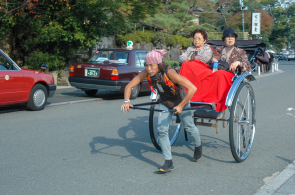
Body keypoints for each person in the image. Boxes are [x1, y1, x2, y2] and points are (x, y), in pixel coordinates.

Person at [121, 49, 202, 173]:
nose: (148, 68)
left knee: (189, 127)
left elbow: (192, 88)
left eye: (151, 65)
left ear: (159, 64)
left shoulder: (170, 73)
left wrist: (180, 106)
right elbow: (129, 86)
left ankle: (198, 145)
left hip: (181, 100)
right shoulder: (146, 73)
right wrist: (126, 100)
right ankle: (168, 162)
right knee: (162, 129)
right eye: (146, 65)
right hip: (165, 102)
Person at [179, 28, 251, 112]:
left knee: (220, 74)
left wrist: (238, 63)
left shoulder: (240, 51)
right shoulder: (217, 50)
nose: (230, 38)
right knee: (206, 73)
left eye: (232, 36)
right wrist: (213, 60)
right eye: (227, 37)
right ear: (224, 39)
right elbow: (207, 61)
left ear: (235, 39)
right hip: (215, 71)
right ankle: (197, 97)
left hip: (230, 74)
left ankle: (215, 101)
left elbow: (248, 65)